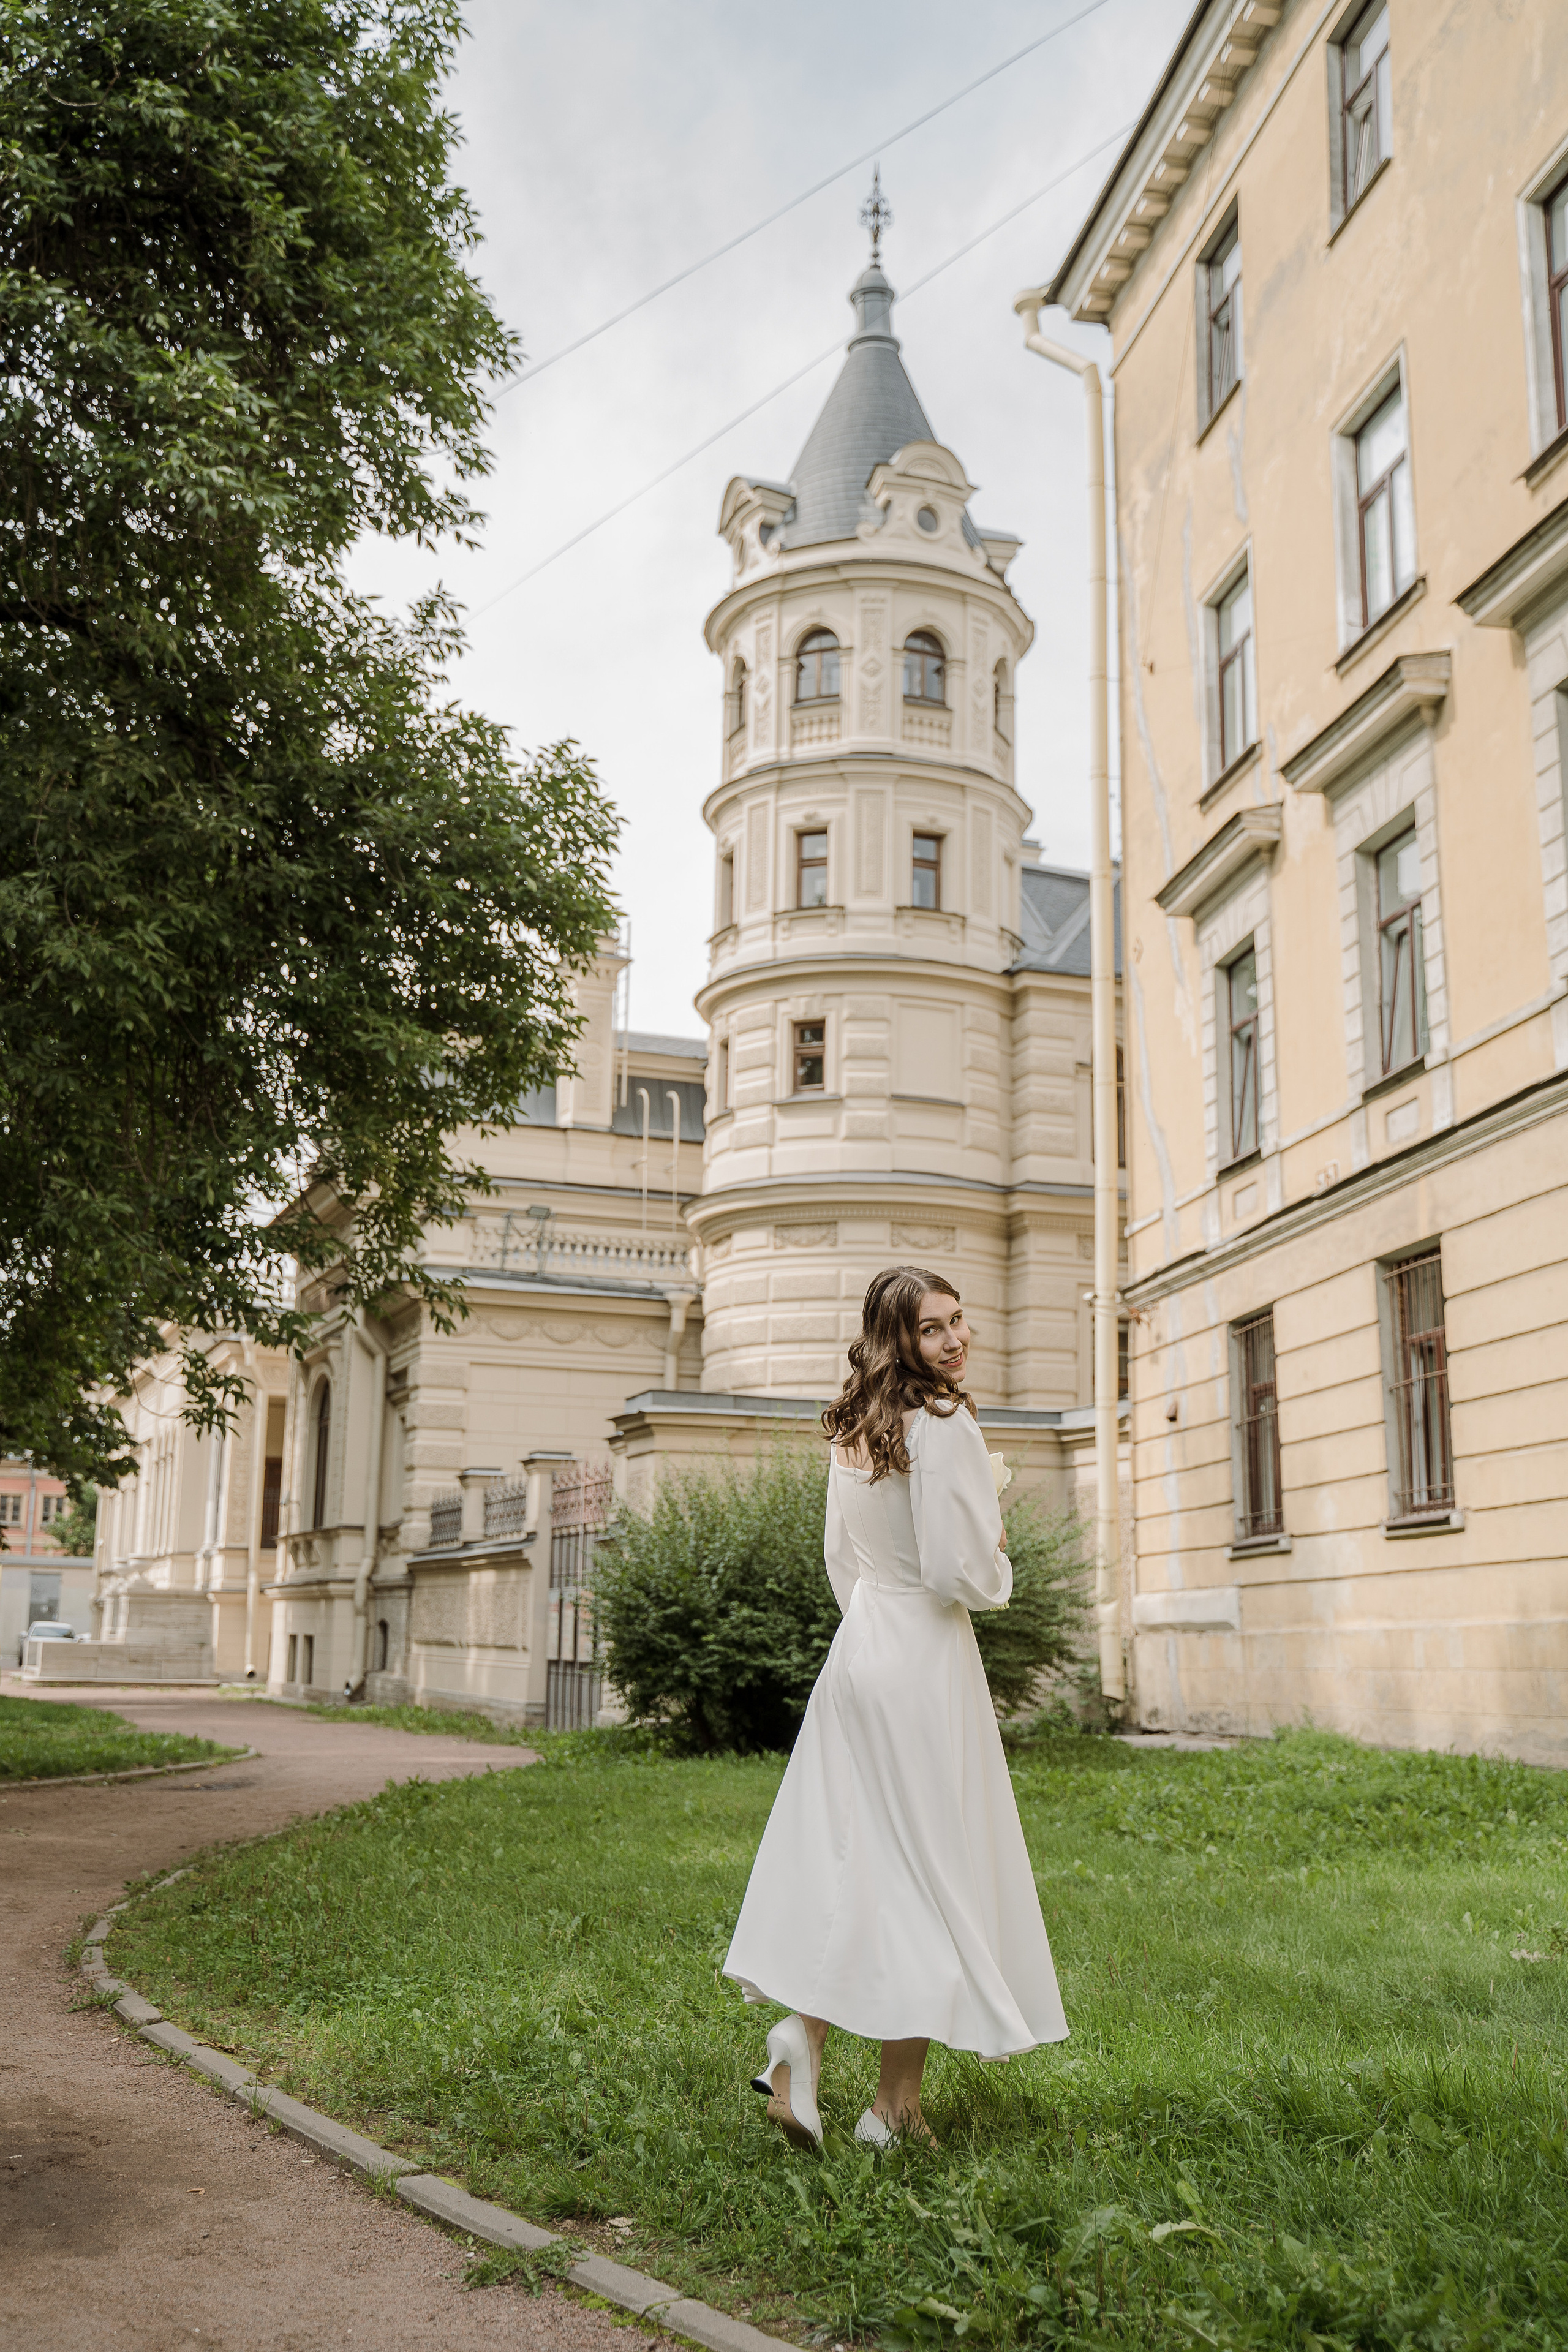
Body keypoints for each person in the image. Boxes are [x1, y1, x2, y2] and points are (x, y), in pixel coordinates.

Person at [723, 1265, 1068, 2150]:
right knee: (930, 1872)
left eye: (960, 1322)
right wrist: (996, 1547)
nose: (955, 1340)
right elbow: (964, 1572)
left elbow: (845, 1560)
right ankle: (892, 2107)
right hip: (922, 1657)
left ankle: (805, 2041)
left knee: (865, 1860)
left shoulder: (849, 1431)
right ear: (898, 1339)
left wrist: (875, 1625)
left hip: (860, 1652)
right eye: (932, 1328)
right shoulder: (945, 1423)